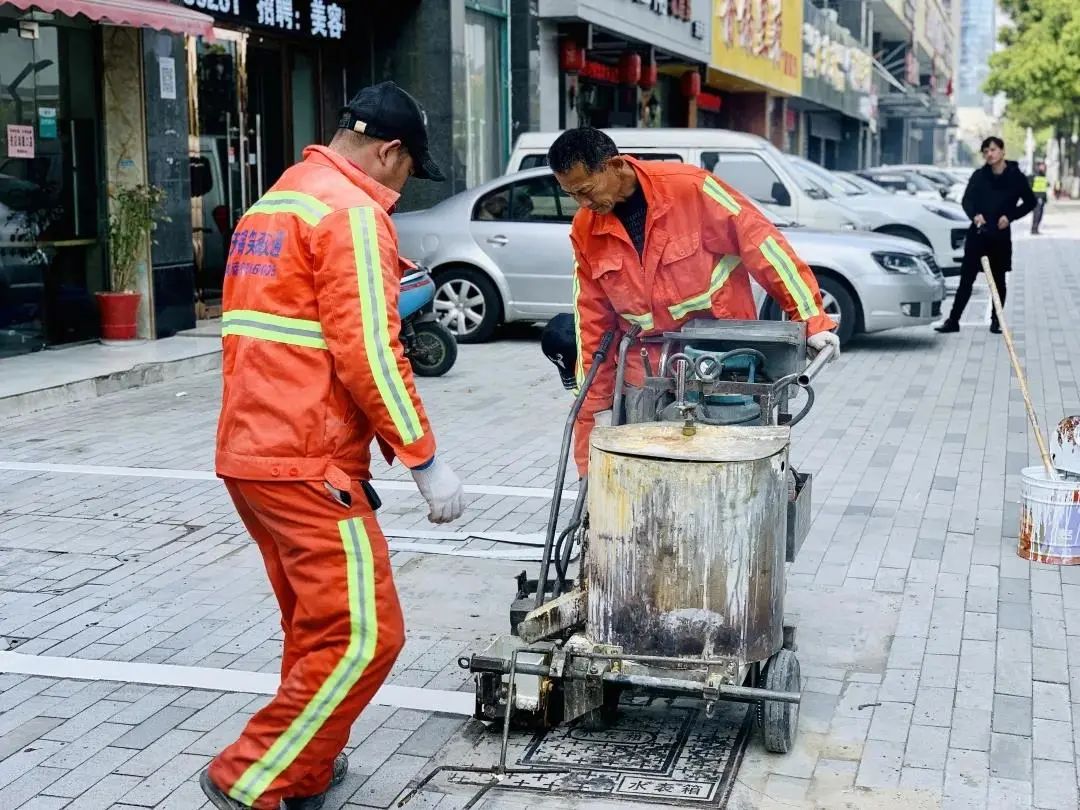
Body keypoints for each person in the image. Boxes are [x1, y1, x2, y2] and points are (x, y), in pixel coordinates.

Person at [202, 81, 466, 810]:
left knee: (316, 629)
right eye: (410, 169)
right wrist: (424, 458)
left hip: (253, 452)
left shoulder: (280, 199)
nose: (404, 187)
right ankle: (250, 775)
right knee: (364, 636)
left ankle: (307, 771)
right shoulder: (351, 214)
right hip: (306, 460)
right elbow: (369, 352)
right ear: (388, 151)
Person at [548, 127, 840, 477]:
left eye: (586, 190)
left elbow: (763, 245)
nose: (583, 204)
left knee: (725, 479)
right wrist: (597, 413)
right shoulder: (586, 228)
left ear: (613, 165)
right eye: (571, 195)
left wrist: (811, 319)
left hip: (723, 366)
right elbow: (592, 320)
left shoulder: (691, 189)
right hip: (648, 372)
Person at [935, 136, 1037, 335]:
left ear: (1002, 151)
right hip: (978, 233)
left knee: (998, 280)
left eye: (993, 150)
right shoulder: (979, 176)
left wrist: (1010, 216)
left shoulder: (1015, 176)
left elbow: (1030, 202)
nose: (989, 154)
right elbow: (967, 200)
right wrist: (975, 216)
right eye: (985, 151)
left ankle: (996, 320)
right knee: (967, 278)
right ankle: (953, 321)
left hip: (999, 235)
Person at [1031, 160, 1049, 235]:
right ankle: (1034, 229)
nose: (1043, 167)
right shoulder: (1034, 175)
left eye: (1044, 166)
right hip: (1036, 197)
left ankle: (1036, 228)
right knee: (1037, 213)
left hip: (1042, 198)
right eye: (1041, 166)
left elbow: (1044, 187)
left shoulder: (1044, 176)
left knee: (1040, 214)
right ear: (1038, 167)